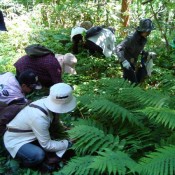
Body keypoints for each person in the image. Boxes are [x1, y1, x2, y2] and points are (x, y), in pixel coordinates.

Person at [3, 83, 77, 171]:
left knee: (55, 145)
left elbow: (56, 124)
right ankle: (29, 163)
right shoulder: (39, 117)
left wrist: (67, 134)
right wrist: (68, 143)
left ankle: (45, 158)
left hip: (31, 135)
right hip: (16, 140)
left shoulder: (47, 104)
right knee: (38, 155)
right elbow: (47, 145)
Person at [115, 18, 155, 84]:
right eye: (148, 31)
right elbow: (118, 48)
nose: (149, 33)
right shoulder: (131, 38)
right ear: (143, 30)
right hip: (125, 60)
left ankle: (121, 91)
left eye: (150, 31)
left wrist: (146, 53)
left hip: (133, 61)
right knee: (134, 83)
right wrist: (124, 61)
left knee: (127, 79)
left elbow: (138, 49)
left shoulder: (143, 39)